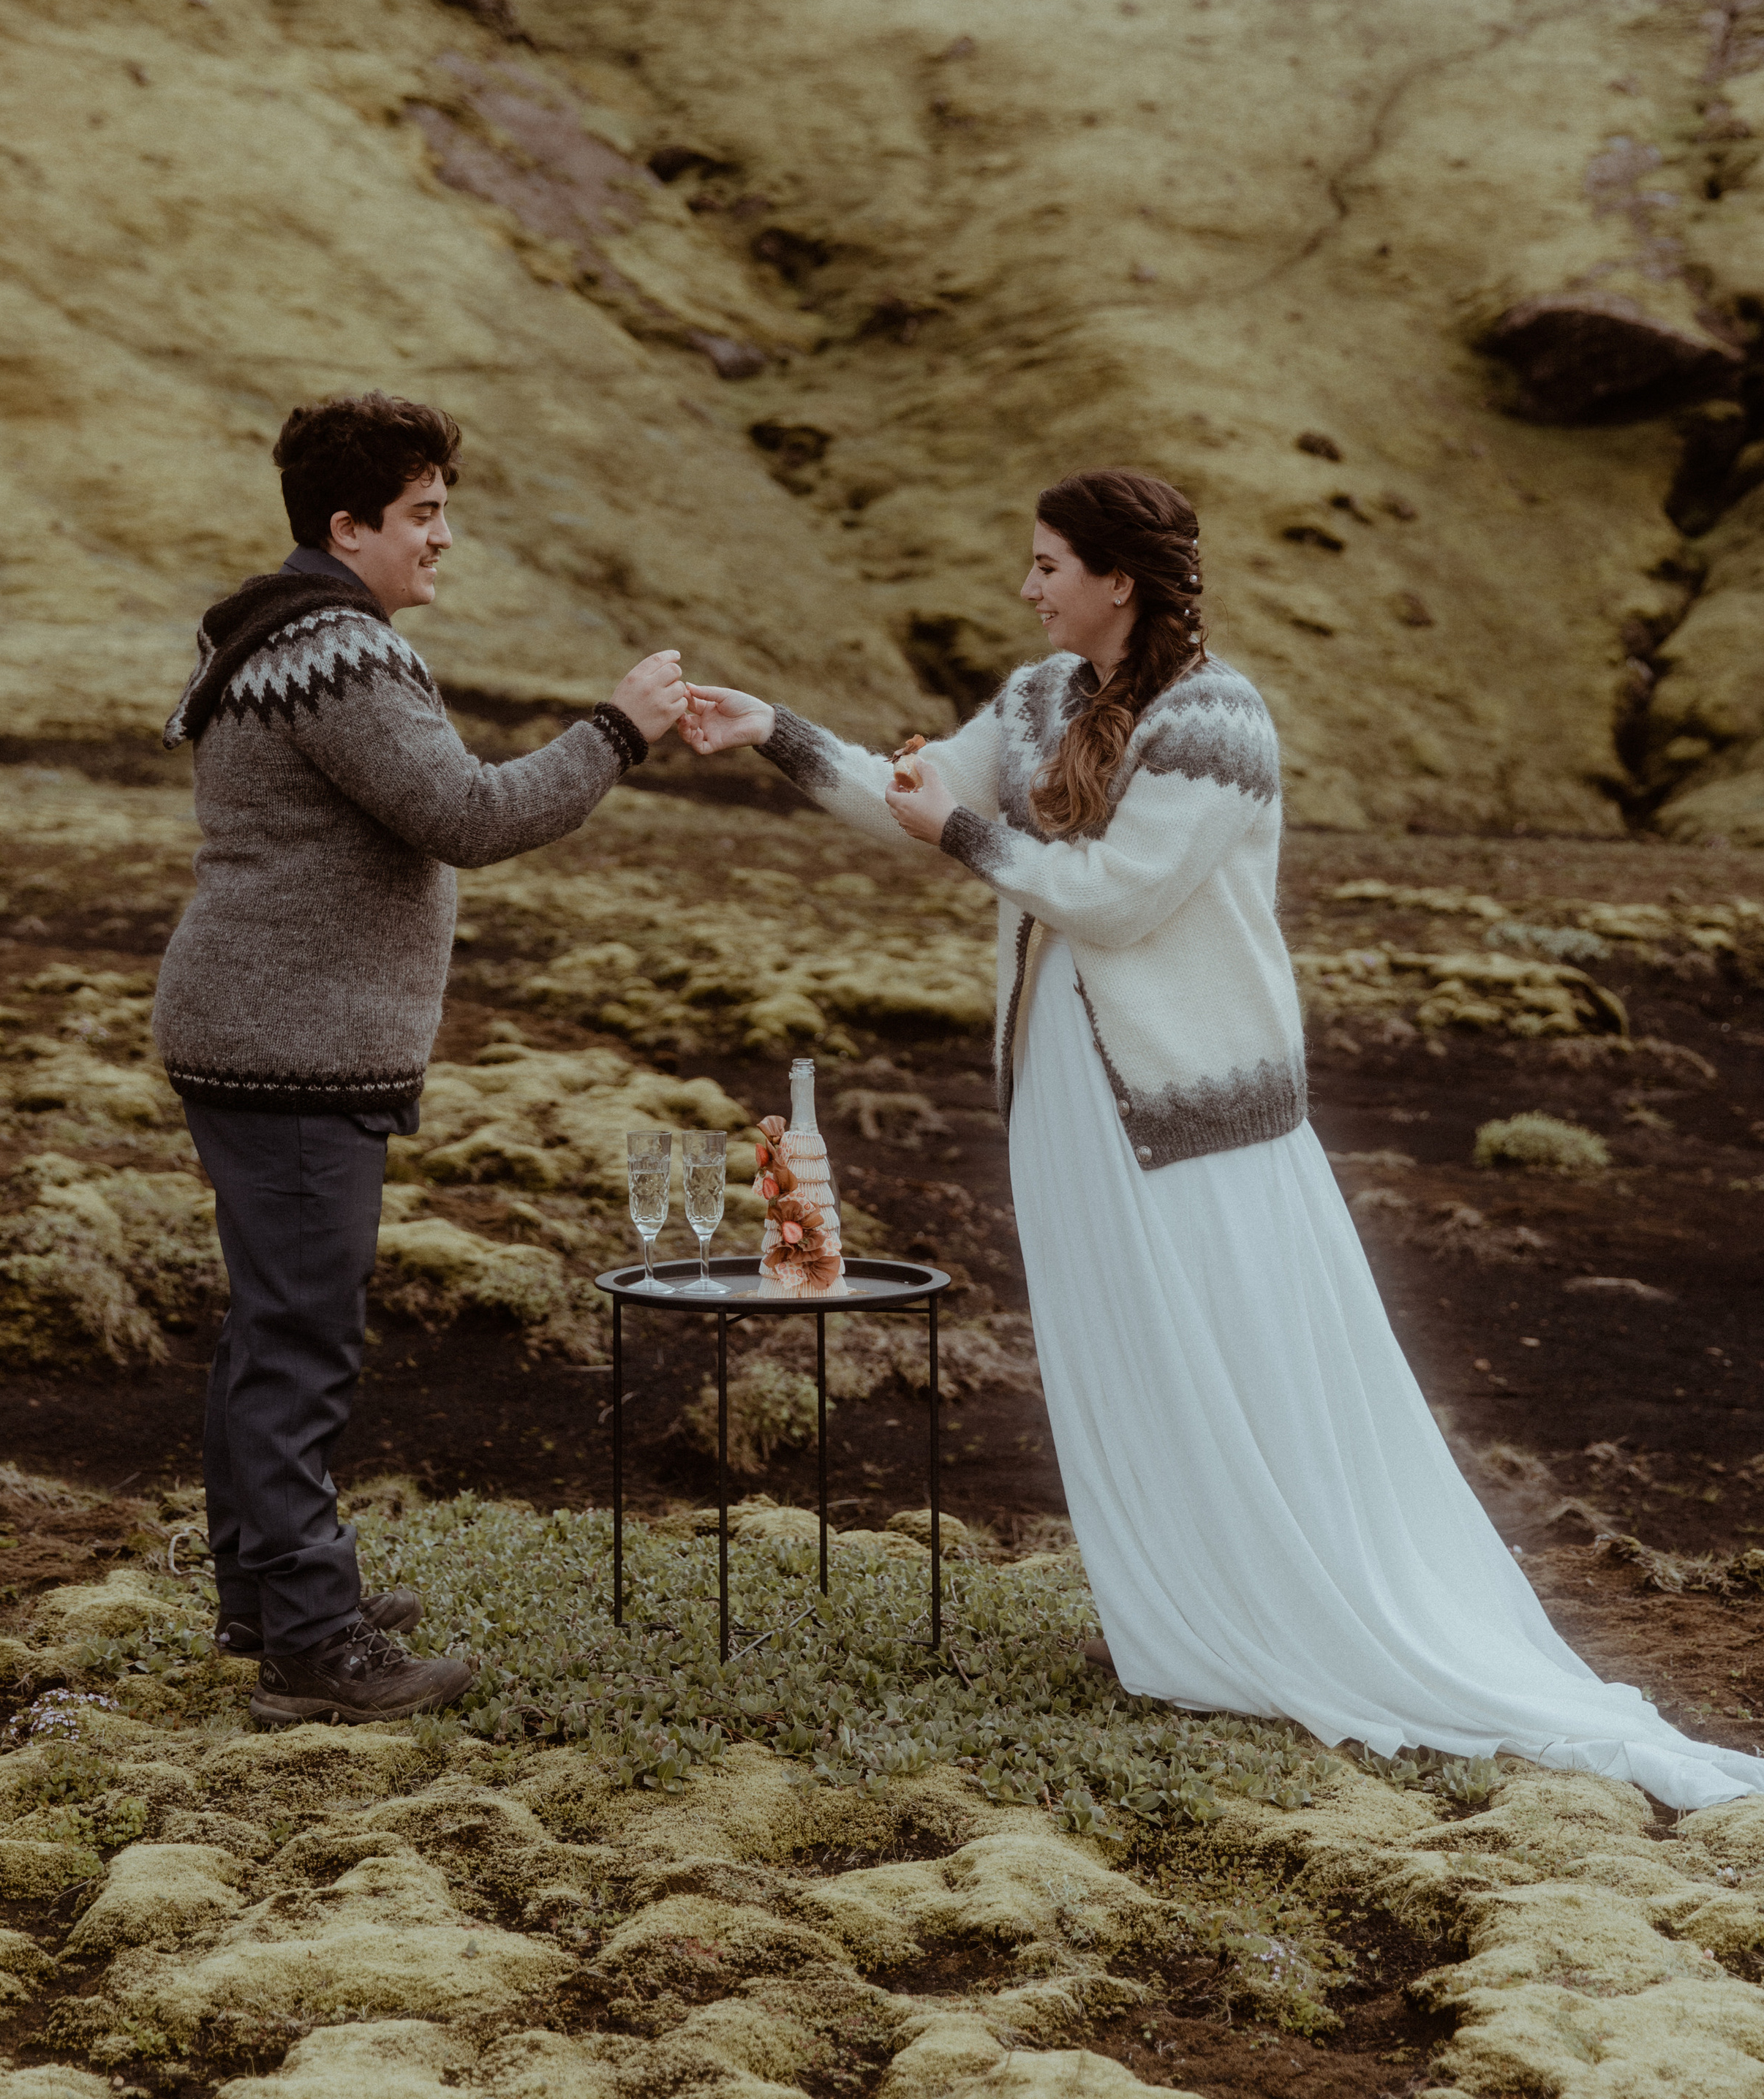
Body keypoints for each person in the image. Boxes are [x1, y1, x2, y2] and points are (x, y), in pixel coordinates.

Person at [679, 467, 1764, 1810]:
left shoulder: (1218, 721)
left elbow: (1120, 900)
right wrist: (770, 732)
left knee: (1233, 1353)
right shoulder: (1035, 699)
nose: (1026, 588)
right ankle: (1182, 1624)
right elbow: (908, 791)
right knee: (1123, 1346)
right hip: (1067, 1092)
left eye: (1045, 565)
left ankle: (1283, 1614)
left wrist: (962, 831)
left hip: (1198, 1109)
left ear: (1117, 580)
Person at [154, 393, 687, 1728]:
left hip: (262, 1034)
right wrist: (616, 729)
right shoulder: (339, 653)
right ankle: (314, 1649)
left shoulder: (279, 634)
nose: (445, 540)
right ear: (349, 527)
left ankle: (263, 1593)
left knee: (268, 1329)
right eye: (424, 515)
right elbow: (468, 813)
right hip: (289, 1050)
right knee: (299, 1343)